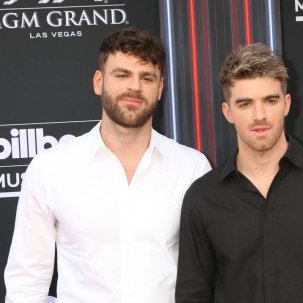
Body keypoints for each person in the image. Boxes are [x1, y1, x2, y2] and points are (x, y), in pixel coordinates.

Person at [4, 27, 211, 303]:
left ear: (160, 88)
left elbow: (209, 275)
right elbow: (26, 284)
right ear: (98, 82)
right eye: (122, 75)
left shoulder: (192, 168)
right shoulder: (50, 169)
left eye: (146, 77)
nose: (134, 87)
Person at [175, 43, 303, 303]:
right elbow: (193, 296)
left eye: (270, 100)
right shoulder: (203, 197)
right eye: (245, 103)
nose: (259, 115)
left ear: (286, 104)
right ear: (228, 112)